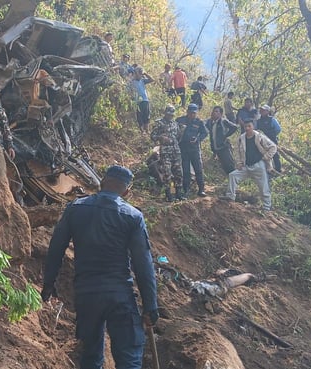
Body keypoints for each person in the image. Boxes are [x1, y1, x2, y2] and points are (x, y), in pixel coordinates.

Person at [42, 165, 158, 369]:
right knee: (129, 357)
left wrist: (48, 283)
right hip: (120, 296)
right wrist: (151, 305)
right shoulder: (133, 217)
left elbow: (56, 248)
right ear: (126, 192)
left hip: (87, 295)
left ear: (101, 183)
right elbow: (143, 265)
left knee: (91, 356)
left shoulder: (75, 208)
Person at [220, 120, 278, 211]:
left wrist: (266, 157)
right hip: (246, 166)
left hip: (259, 166)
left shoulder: (259, 137)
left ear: (253, 126)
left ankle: (267, 207)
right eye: (245, 126)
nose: (247, 128)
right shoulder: (241, 138)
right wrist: (239, 163)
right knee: (233, 175)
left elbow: (273, 147)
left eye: (249, 126)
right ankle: (230, 196)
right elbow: (237, 152)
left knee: (263, 187)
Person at [150, 105, 184, 201]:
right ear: (165, 113)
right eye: (168, 114)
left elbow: (178, 136)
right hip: (165, 152)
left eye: (172, 115)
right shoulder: (159, 123)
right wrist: (161, 137)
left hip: (176, 151)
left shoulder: (175, 124)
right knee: (167, 174)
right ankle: (168, 195)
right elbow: (152, 136)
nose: (170, 116)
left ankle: (179, 194)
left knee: (178, 173)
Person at [177, 104, 208, 197]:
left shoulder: (199, 122)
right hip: (184, 149)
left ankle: (201, 189)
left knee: (198, 169)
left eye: (194, 113)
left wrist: (198, 139)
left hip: (194, 149)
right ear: (187, 112)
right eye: (191, 113)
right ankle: (186, 190)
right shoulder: (180, 120)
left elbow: (205, 133)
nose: (192, 115)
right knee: (186, 171)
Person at [206, 106, 239, 174]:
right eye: (213, 111)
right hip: (216, 149)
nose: (214, 113)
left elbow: (234, 127)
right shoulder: (211, 123)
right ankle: (230, 181)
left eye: (216, 111)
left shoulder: (223, 121)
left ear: (220, 114)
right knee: (224, 167)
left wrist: (226, 135)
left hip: (224, 147)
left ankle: (235, 182)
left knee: (230, 166)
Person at [256, 105, 282, 173]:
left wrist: (272, 135)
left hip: (272, 140)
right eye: (261, 110)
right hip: (262, 142)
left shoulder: (272, 119)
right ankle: (266, 170)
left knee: (275, 155)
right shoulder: (258, 121)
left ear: (267, 111)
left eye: (263, 110)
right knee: (263, 156)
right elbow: (256, 131)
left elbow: (278, 129)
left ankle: (278, 170)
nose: (261, 111)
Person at [131, 67, 155, 133]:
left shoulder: (142, 80)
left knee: (146, 115)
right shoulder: (132, 82)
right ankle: (142, 130)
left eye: (141, 74)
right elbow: (128, 91)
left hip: (145, 100)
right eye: (139, 73)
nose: (140, 75)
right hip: (138, 101)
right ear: (135, 74)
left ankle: (147, 130)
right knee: (139, 116)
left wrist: (145, 73)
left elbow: (152, 80)